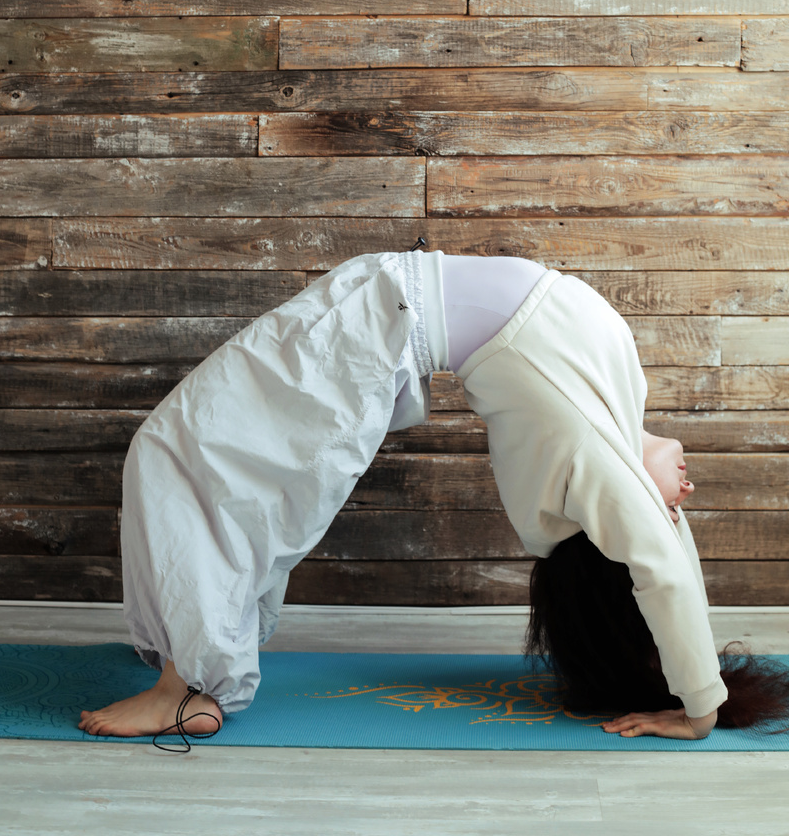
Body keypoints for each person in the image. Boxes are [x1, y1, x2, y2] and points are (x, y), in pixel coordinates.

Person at [78, 248, 789, 743]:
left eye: (669, 512)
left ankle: (184, 687)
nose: (684, 496)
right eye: (679, 509)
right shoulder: (611, 401)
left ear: (615, 531)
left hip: (377, 324)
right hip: (383, 312)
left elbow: (658, 568)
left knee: (180, 452)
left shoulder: (585, 463)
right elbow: (667, 564)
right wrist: (695, 684)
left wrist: (701, 709)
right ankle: (195, 659)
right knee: (213, 463)